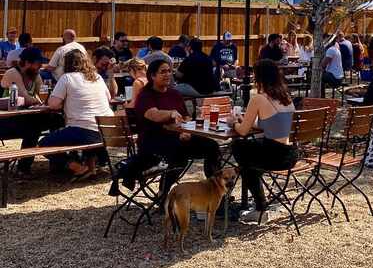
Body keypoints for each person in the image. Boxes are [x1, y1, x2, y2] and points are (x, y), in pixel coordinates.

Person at [129, 59, 221, 188]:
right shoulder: (145, 95)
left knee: (212, 146)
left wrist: (186, 131)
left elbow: (186, 117)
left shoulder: (175, 94)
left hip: (177, 138)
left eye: (169, 71)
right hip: (153, 142)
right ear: (152, 76)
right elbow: (153, 115)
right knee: (179, 154)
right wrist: (170, 113)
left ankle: (214, 188)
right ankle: (163, 193)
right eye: (163, 72)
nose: (168, 74)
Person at [229, 60, 298, 223]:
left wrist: (234, 122)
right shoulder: (286, 96)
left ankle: (260, 207)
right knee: (248, 164)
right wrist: (247, 121)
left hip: (274, 155)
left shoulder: (258, 98)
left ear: (259, 77)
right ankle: (259, 206)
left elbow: (243, 131)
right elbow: (273, 124)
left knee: (239, 147)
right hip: (291, 154)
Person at [41, 49, 112, 178]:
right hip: (107, 130)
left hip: (85, 131)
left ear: (67, 64)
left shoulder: (67, 78)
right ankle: (91, 167)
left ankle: (78, 167)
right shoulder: (97, 77)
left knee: (44, 144)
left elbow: (53, 104)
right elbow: (108, 98)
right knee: (80, 133)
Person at [0, 47, 48, 172]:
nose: (40, 66)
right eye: (38, 63)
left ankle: (60, 163)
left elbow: (44, 96)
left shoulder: (35, 75)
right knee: (34, 127)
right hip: (5, 120)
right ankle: (23, 167)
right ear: (27, 63)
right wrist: (40, 101)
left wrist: (44, 101)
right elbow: (26, 98)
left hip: (23, 117)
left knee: (57, 121)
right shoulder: (13, 73)